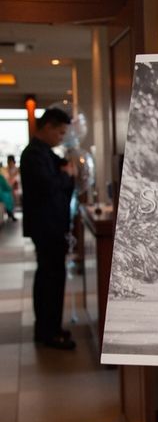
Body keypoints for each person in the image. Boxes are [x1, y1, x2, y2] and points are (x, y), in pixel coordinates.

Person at [20, 108, 76, 350]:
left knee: (51, 277)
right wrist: (66, 175)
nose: (61, 138)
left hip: (52, 224)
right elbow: (48, 185)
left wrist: (66, 171)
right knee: (50, 279)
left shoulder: (45, 153)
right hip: (46, 226)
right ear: (49, 126)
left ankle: (50, 327)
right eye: (60, 133)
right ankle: (48, 331)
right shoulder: (33, 154)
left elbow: (64, 170)